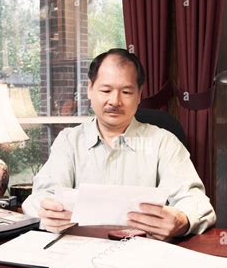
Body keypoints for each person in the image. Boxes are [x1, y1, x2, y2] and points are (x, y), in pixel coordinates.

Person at [22, 48, 215, 239]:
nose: (115, 101)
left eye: (126, 92)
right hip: (78, 253)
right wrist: (47, 211)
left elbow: (195, 201)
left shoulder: (163, 143)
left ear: (139, 95)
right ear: (89, 90)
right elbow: (40, 197)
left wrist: (181, 220)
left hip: (143, 255)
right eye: (106, 90)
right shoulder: (69, 142)